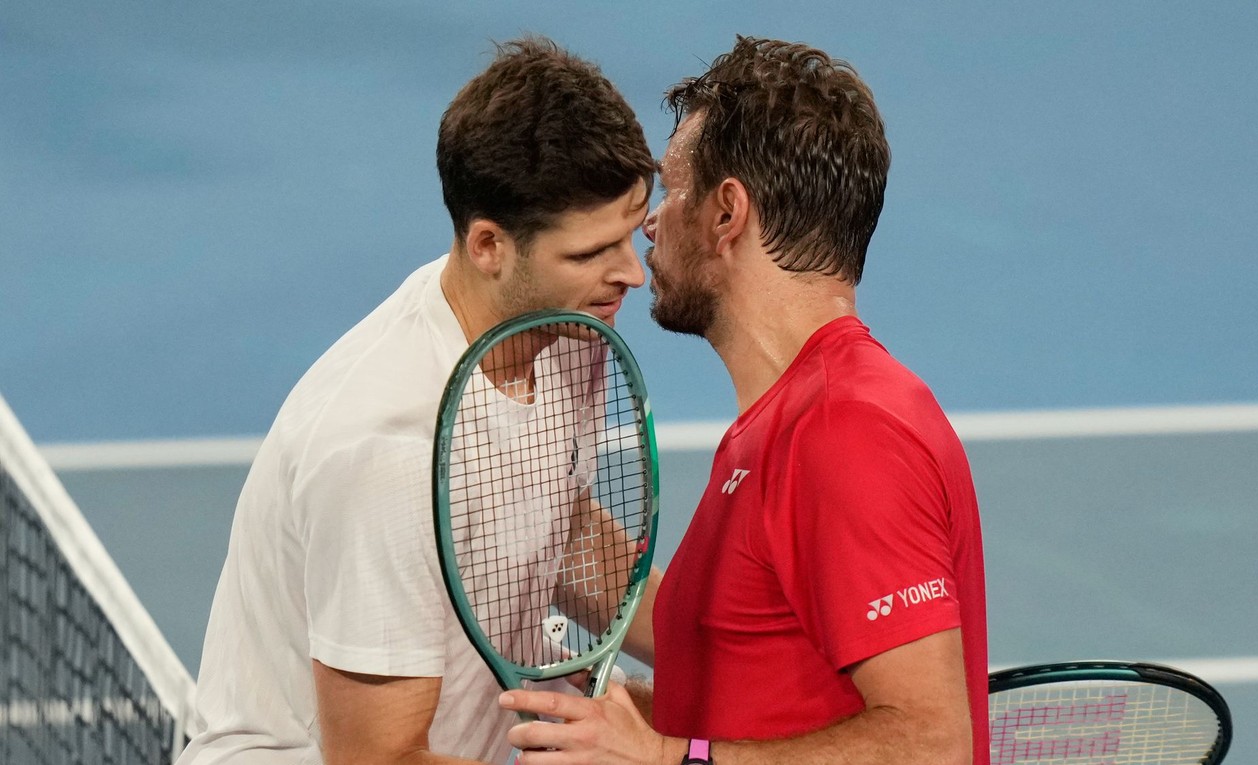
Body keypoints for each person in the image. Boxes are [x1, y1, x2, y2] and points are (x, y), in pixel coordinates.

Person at [500, 35, 989, 765]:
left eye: (672, 190)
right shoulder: (788, 422)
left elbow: (929, 744)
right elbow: (746, 677)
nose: (650, 224)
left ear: (727, 212)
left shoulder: (845, 431)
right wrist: (621, 724)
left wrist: (666, 758)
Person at [178, 37, 659, 765]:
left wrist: (720, 660)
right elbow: (379, 759)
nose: (632, 273)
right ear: (489, 246)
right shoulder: (387, 452)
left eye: (628, 236)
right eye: (591, 253)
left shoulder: (565, 329)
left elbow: (550, 523)